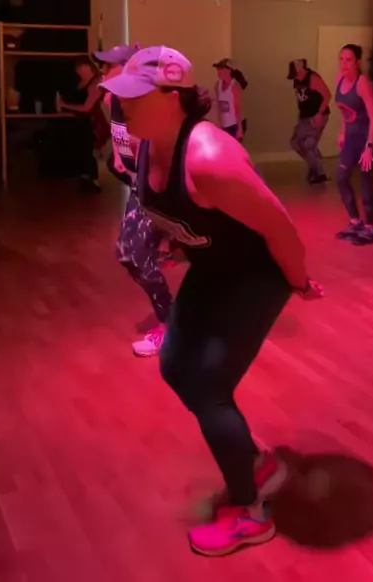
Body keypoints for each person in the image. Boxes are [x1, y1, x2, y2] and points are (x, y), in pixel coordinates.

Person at [102, 45, 323, 556]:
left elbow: (280, 228)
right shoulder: (146, 147)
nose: (122, 105)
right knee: (174, 364)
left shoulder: (208, 157)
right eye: (121, 95)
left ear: (173, 97)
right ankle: (254, 463)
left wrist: (299, 281)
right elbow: (180, 213)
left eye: (135, 96)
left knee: (208, 385)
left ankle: (251, 511)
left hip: (257, 275)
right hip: (214, 266)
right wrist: (175, 243)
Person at [95, 45, 173, 357]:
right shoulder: (113, 100)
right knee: (128, 254)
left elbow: (155, 142)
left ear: (128, 67)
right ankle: (176, 320)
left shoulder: (143, 98)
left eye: (108, 66)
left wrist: (127, 147)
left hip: (161, 181)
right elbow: (123, 144)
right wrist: (121, 155)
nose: (102, 72)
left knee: (136, 254)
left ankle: (173, 326)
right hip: (142, 182)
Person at [335, 44, 373, 245]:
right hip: (350, 138)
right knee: (341, 177)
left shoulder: (362, 84)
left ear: (358, 62)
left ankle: (370, 228)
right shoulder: (339, 80)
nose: (344, 64)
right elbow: (344, 111)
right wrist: (342, 131)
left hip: (364, 139)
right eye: (341, 59)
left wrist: (369, 147)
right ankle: (355, 221)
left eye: (349, 60)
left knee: (365, 180)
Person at [59, 57, 108, 192]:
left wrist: (65, 105)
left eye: (82, 67)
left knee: (89, 151)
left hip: (92, 122)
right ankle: (85, 179)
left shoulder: (95, 84)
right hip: (82, 121)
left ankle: (93, 181)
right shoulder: (81, 83)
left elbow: (87, 108)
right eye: (78, 68)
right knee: (82, 150)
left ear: (88, 67)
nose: (79, 70)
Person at [287, 58, 331, 184]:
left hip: (317, 115)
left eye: (296, 74)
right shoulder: (296, 80)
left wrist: (319, 114)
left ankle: (320, 173)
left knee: (309, 144)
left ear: (301, 69)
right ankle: (314, 167)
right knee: (295, 143)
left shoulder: (312, 78)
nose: (296, 77)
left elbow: (327, 95)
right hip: (304, 117)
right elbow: (301, 99)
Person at [213, 59, 247, 140]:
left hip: (235, 124)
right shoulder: (218, 85)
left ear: (229, 70)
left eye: (221, 69)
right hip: (225, 124)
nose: (219, 71)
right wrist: (220, 123)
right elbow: (219, 106)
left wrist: (239, 128)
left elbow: (237, 107)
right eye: (218, 69)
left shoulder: (235, 86)